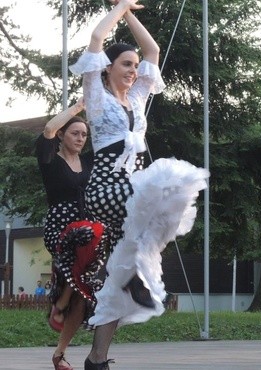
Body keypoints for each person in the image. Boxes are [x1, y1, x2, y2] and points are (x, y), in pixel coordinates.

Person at [69, 1, 208, 369]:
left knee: (123, 271)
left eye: (134, 66)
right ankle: (130, 277)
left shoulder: (137, 98)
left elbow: (152, 51)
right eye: (125, 65)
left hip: (134, 187)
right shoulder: (96, 96)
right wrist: (119, 6)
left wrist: (132, 13)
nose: (133, 70)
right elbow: (98, 37)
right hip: (108, 188)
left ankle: (96, 358)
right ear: (108, 68)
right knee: (175, 180)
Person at [36, 99, 106, 370]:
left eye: (84, 135)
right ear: (63, 135)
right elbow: (48, 129)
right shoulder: (50, 160)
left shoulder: (89, 161)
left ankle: (59, 353)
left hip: (87, 229)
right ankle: (61, 300)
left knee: (84, 294)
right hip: (61, 228)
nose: (80, 138)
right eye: (75, 133)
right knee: (83, 236)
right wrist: (79, 107)